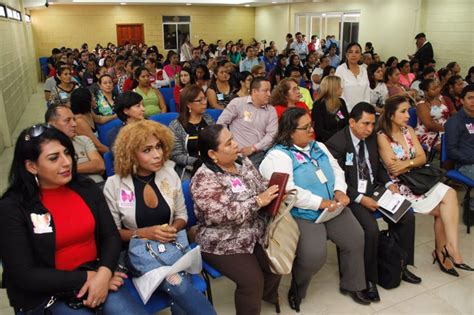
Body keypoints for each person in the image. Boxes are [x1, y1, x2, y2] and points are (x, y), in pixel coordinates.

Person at [0, 124, 148, 315]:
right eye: (54, 158)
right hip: (47, 293)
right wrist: (89, 277)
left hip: (97, 273)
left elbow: (111, 236)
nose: (66, 162)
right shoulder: (12, 207)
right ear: (31, 166)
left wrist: (103, 273)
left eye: (67, 153)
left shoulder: (86, 188)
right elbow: (24, 274)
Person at [259, 107, 368, 310]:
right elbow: (289, 191)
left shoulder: (318, 146)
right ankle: (297, 289)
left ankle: (353, 284)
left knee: (355, 237)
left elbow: (337, 170)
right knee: (314, 257)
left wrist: (339, 191)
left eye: (311, 125)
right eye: (305, 127)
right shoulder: (279, 156)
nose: (311, 130)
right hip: (302, 213)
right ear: (290, 131)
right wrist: (320, 202)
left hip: (333, 206)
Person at [103, 120, 216, 315]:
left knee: (179, 289)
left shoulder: (169, 174)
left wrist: (173, 227)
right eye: (147, 150)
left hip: (172, 248)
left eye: (158, 147)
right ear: (130, 154)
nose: (157, 155)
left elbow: (182, 215)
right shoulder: (114, 185)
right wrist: (145, 233)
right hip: (141, 254)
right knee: (179, 284)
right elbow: (113, 234)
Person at [326, 102, 419, 303]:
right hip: (352, 196)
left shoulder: (369, 138)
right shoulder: (336, 144)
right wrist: (361, 199)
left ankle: (402, 265)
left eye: (372, 124)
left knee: (406, 216)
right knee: (370, 230)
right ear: (351, 122)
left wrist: (387, 184)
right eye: (365, 124)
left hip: (374, 188)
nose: (370, 129)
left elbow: (377, 166)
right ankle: (369, 279)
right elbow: (337, 181)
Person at [190, 124, 281, 315]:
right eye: (229, 143)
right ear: (213, 154)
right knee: (251, 281)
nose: (236, 145)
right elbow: (222, 214)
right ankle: (255, 297)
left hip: (253, 229)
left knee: (276, 265)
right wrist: (258, 201)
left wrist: (274, 190)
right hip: (222, 240)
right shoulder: (204, 179)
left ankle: (266, 294)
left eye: (233, 139)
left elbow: (259, 184)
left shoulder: (241, 161)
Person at [377, 95, 473, 277]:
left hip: (419, 179)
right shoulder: (382, 137)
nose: (408, 116)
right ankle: (442, 251)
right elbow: (394, 169)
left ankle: (451, 248)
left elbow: (421, 158)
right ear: (391, 114)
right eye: (403, 112)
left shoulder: (409, 131)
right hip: (402, 187)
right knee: (443, 210)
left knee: (450, 194)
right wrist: (413, 162)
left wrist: (407, 163)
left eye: (408, 111)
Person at [217, 77, 277, 167]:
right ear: (254, 91)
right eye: (265, 91)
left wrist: (254, 148)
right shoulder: (238, 103)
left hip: (261, 153)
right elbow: (220, 124)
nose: (269, 94)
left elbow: (272, 135)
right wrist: (230, 143)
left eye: (270, 90)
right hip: (238, 154)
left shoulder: (271, 110)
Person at [45, 104, 105, 184]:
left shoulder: (83, 140)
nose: (74, 124)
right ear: (52, 125)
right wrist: (87, 166)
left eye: (74, 119)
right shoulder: (47, 149)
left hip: (99, 186)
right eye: (67, 120)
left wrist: (67, 168)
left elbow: (99, 165)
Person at [169, 85, 215, 180]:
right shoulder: (176, 126)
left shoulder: (208, 119)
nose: (205, 102)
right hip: (188, 168)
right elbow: (176, 155)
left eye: (204, 98)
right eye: (200, 100)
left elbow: (216, 143)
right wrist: (197, 162)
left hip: (211, 164)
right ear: (188, 104)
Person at [445, 85, 474, 181]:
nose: (473, 101)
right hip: (466, 165)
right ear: (462, 101)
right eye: (470, 98)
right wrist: (471, 159)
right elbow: (452, 151)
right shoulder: (454, 122)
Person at [70, 88, 111, 154]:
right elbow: (98, 147)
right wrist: (118, 155)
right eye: (93, 97)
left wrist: (115, 116)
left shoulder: (88, 111)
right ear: (87, 101)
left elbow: (99, 119)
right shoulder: (80, 121)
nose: (95, 99)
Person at [414, 78, 450, 150]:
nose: (437, 90)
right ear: (425, 91)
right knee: (449, 148)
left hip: (444, 130)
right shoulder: (421, 105)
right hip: (429, 133)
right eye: (434, 89)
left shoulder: (440, 98)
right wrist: (447, 130)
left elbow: (447, 115)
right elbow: (429, 124)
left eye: (438, 87)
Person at [312, 76, 349, 142]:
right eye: (339, 86)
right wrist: (337, 138)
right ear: (333, 88)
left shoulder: (341, 102)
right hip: (327, 142)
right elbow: (319, 130)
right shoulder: (318, 105)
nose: (342, 88)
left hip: (343, 140)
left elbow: (347, 123)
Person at [335, 42, 370, 113]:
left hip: (362, 111)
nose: (354, 55)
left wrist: (365, 108)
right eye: (350, 52)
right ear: (346, 55)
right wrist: (348, 110)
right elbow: (338, 92)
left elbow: (367, 92)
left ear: (360, 55)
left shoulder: (364, 69)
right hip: (346, 111)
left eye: (357, 52)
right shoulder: (340, 69)